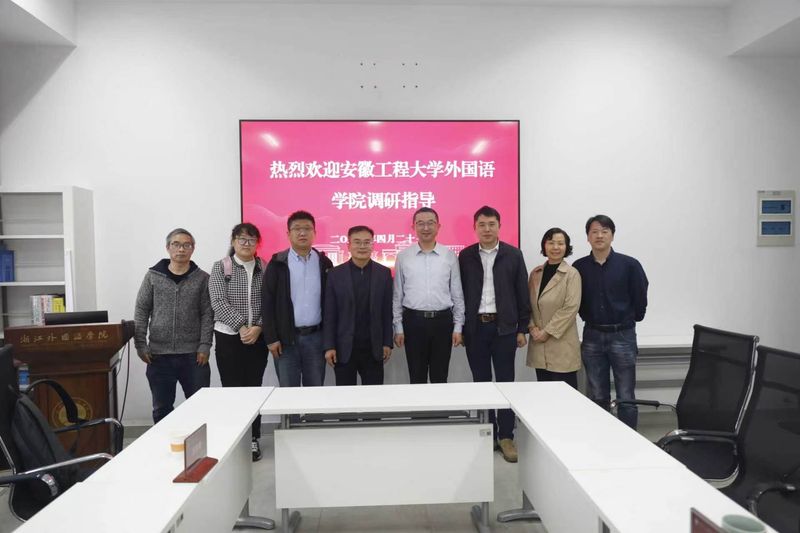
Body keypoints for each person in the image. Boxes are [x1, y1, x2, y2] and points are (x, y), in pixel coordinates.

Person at [458, 206, 530, 463]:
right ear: (475, 227)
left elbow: (522, 293)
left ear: (499, 226)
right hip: (475, 328)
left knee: (505, 382)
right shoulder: (465, 256)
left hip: (505, 328)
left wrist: (522, 328)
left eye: (491, 224)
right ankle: (488, 432)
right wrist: (460, 327)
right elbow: (458, 293)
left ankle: (506, 436)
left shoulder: (513, 254)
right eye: (482, 225)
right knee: (481, 382)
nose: (487, 229)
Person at [573, 215, 648, 429]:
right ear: (588, 237)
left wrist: (632, 318)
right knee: (597, 395)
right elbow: (575, 299)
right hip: (592, 336)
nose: (599, 236)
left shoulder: (630, 265)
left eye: (604, 231)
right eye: (594, 232)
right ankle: (601, 438)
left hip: (622, 335)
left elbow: (640, 296)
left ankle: (629, 440)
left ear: (612, 236)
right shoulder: (579, 267)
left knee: (626, 395)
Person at [134, 228, 212, 424]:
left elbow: (207, 314)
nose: (181, 249)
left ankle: (199, 444)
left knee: (200, 407)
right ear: (168, 247)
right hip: (159, 355)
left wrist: (205, 345)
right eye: (176, 244)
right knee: (162, 408)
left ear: (193, 249)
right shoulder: (152, 276)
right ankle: (164, 442)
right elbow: (142, 309)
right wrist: (140, 345)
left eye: (187, 245)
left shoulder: (202, 278)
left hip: (193, 355)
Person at [209, 222, 268, 460]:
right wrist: (242, 327)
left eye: (251, 240)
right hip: (228, 337)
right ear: (233, 241)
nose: (246, 243)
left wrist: (258, 327)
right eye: (242, 239)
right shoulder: (221, 267)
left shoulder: (264, 267)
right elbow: (218, 301)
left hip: (258, 337)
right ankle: (234, 437)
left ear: (257, 243)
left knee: (254, 389)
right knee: (232, 389)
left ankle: (253, 438)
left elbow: (270, 301)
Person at [393, 207, 465, 384]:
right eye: (421, 223)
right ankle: (418, 405)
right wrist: (398, 327)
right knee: (416, 376)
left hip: (443, 322)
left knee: (440, 377)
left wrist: (458, 326)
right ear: (413, 227)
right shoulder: (403, 257)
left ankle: (439, 405)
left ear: (438, 226)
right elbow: (397, 295)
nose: (426, 228)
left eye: (430, 223)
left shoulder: (449, 256)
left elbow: (457, 293)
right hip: (413, 322)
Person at [262, 210, 333, 388]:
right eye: (297, 229)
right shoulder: (277, 263)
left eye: (307, 228)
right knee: (288, 393)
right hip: (286, 340)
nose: (302, 233)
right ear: (288, 234)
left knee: (314, 391)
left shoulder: (324, 263)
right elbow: (267, 302)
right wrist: (271, 338)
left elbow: (331, 304)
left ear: (315, 233)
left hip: (316, 338)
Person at [323, 226, 393, 385]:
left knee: (374, 394)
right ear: (348, 245)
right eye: (357, 242)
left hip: (373, 347)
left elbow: (386, 311)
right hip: (344, 348)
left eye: (367, 242)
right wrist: (329, 346)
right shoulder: (335, 274)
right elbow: (330, 314)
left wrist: (387, 342)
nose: (362, 246)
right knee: (345, 395)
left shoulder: (383, 273)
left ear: (372, 245)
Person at [527, 227, 582, 390]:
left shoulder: (572, 274)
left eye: (560, 243)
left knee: (565, 396)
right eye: (551, 243)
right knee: (544, 394)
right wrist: (532, 327)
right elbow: (528, 304)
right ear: (544, 246)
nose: (555, 247)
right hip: (539, 345)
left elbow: (570, 308)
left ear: (567, 247)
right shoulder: (535, 273)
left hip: (562, 346)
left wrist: (547, 332)